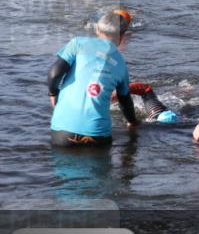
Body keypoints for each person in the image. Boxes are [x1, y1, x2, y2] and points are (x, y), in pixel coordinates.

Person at [48, 12, 139, 146]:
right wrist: (132, 122)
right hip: (98, 135)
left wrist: (53, 92)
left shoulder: (77, 44)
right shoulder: (121, 64)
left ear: (97, 29)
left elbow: (55, 74)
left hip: (63, 131)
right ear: (122, 36)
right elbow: (125, 100)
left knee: (64, 165)